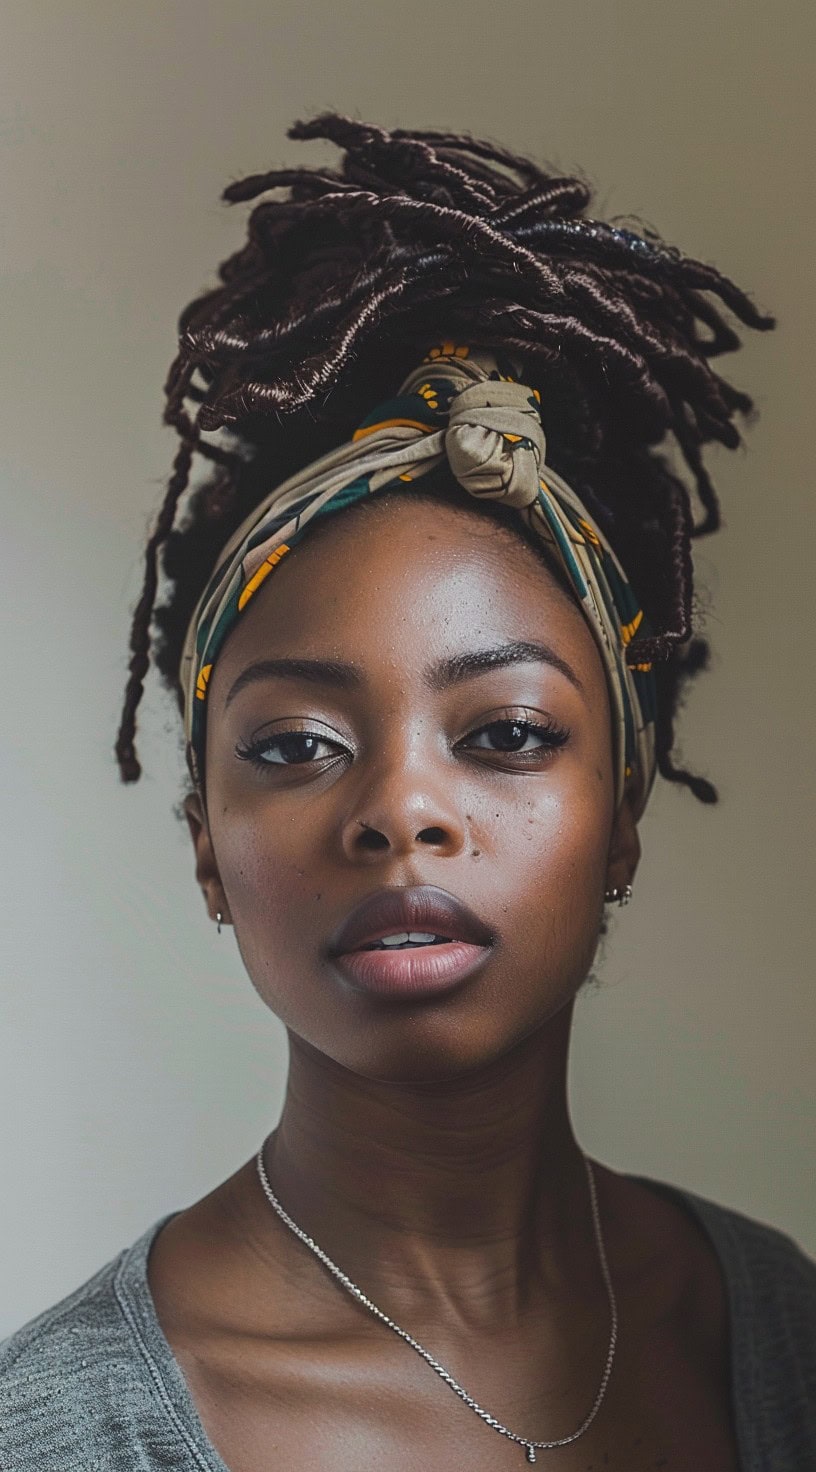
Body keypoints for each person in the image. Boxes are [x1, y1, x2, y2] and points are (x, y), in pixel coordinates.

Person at [1, 114, 813, 1472]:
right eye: (297, 747)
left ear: (623, 818)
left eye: (502, 733)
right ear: (206, 846)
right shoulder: (63, 1438)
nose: (401, 812)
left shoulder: (776, 1328)